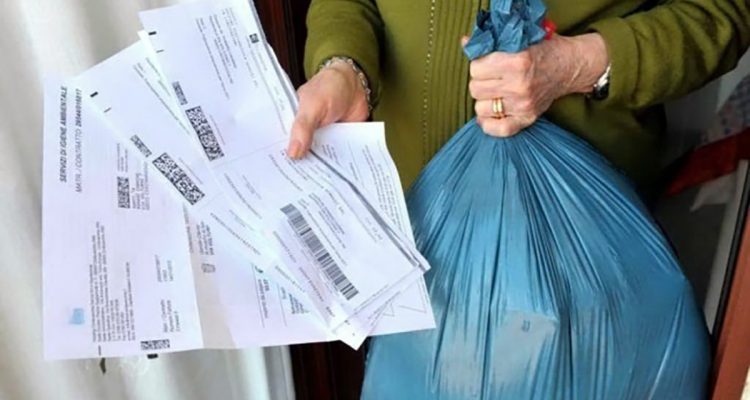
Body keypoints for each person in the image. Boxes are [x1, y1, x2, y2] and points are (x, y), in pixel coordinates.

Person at [291, 0, 750, 398]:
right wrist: (344, 66)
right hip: (410, 237)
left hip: (586, 258)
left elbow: (724, 13)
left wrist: (581, 64)